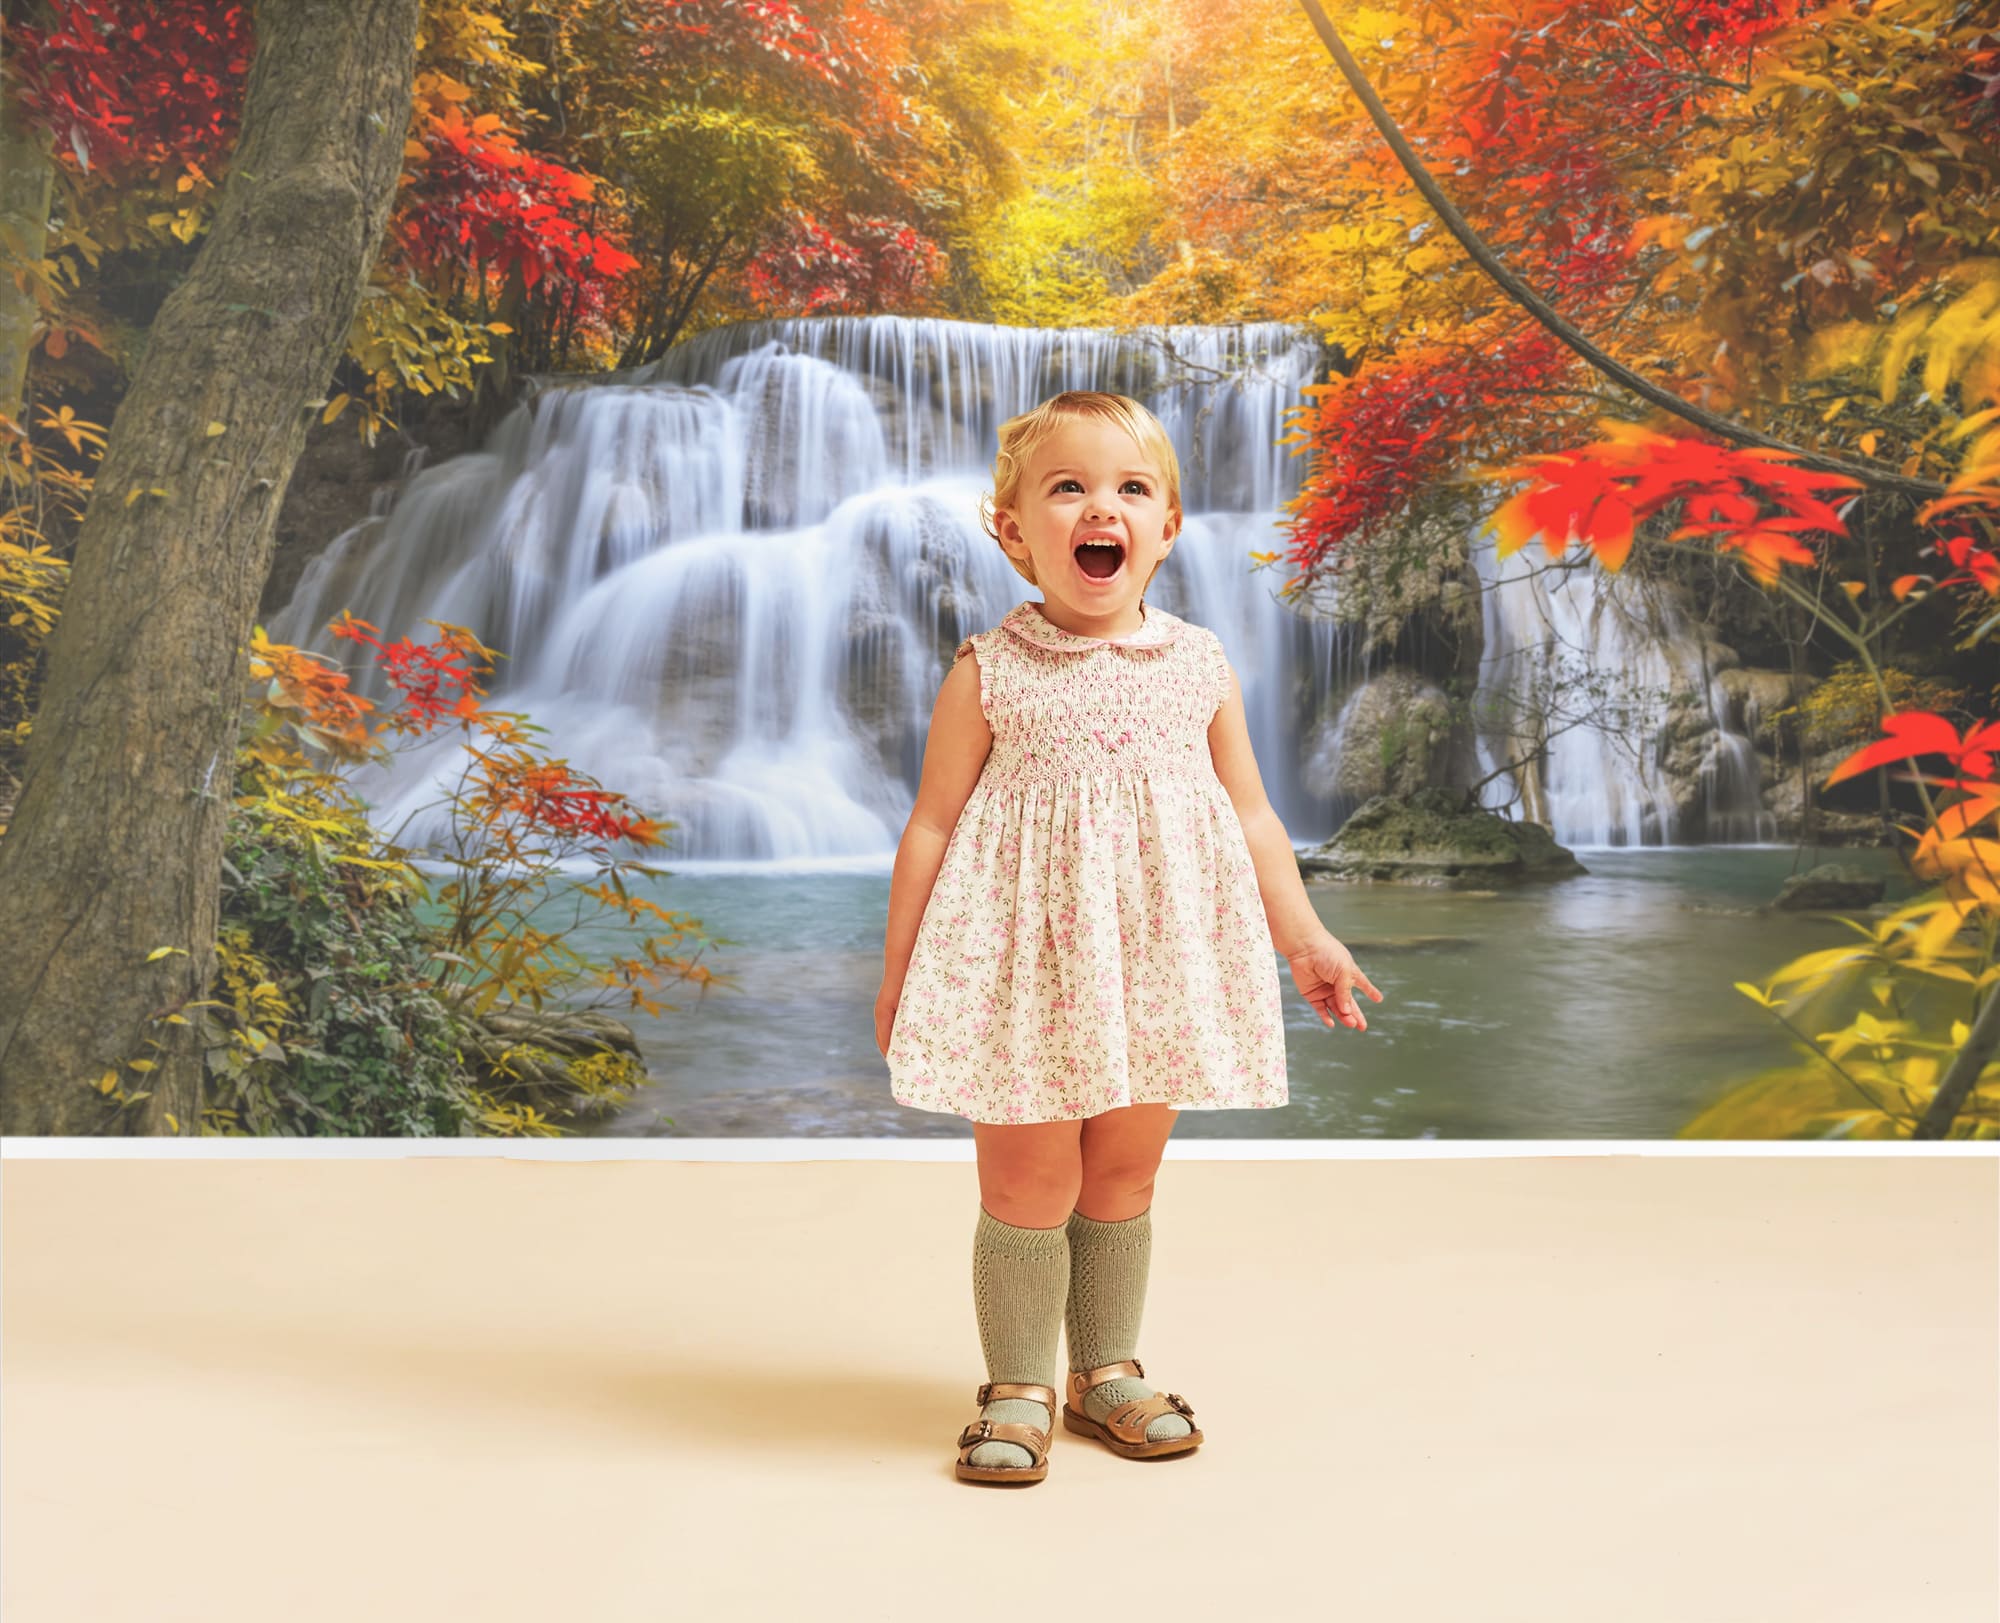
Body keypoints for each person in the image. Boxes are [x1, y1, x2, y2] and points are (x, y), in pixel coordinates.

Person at [875, 390, 1383, 1486]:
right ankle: (1016, 1383)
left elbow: (1250, 814)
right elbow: (929, 825)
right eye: (1065, 487)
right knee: (1025, 1181)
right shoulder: (987, 669)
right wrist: (901, 970)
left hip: (1156, 963)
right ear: (1011, 531)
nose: (1096, 507)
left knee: (1123, 1174)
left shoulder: (1197, 666)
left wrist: (1304, 938)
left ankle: (1102, 1368)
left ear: (1167, 528)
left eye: (1127, 489)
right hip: (1018, 968)